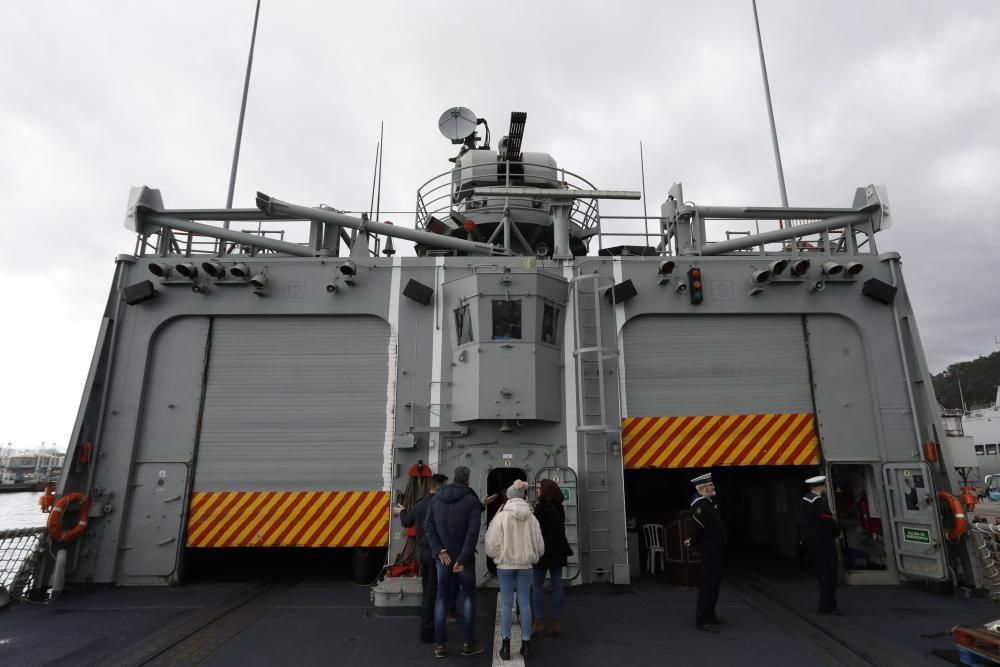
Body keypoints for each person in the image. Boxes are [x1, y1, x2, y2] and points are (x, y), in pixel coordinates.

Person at [424, 465, 486, 658]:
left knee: (441, 599)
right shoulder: (472, 501)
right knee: (468, 598)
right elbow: (472, 533)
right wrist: (462, 559)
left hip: (443, 559)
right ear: (467, 480)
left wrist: (438, 550)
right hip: (463, 559)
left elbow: (428, 526)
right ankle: (469, 643)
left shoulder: (436, 499)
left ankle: (440, 645)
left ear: (453, 478)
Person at [485, 479, 544, 660]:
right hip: (525, 566)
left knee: (506, 604)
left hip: (505, 566)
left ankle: (505, 646)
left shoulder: (501, 516)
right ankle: (526, 645)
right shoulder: (532, 518)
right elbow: (540, 547)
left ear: (509, 497)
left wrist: (498, 556)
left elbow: (491, 545)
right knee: (525, 604)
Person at [394, 473, 447, 643]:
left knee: (429, 590)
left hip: (423, 553)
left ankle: (430, 629)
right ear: (440, 487)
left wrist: (402, 511)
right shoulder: (443, 505)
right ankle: (429, 632)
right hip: (439, 554)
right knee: (437, 593)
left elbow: (407, 522)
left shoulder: (420, 505)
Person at [685, 472, 727, 633]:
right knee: (708, 584)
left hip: (716, 548)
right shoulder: (700, 505)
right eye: (710, 485)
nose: (713, 486)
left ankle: (710, 615)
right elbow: (697, 528)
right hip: (709, 550)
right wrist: (692, 541)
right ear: (703, 488)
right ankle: (703, 620)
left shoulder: (708, 502)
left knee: (714, 583)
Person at [532, 479, 572, 637]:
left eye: (538, 488)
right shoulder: (559, 506)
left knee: (537, 586)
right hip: (558, 550)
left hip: (542, 552)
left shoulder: (541, 508)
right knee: (557, 585)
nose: (537, 491)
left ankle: (539, 621)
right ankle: (556, 622)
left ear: (544, 490)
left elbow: (536, 530)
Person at [802, 475, 842, 615]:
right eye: (824, 486)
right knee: (829, 574)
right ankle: (828, 605)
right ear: (819, 486)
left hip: (812, 543)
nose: (825, 488)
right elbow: (828, 523)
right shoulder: (818, 502)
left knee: (821, 573)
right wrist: (838, 532)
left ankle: (826, 604)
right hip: (824, 543)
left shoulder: (805, 501)